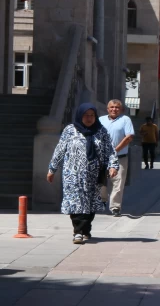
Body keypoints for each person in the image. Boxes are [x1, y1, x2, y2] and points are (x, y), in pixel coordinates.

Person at [48, 104, 119, 244]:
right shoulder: (70, 130)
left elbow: (110, 150)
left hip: (94, 175)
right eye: (86, 115)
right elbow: (60, 150)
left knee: (90, 204)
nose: (89, 118)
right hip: (73, 175)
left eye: (92, 115)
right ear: (80, 115)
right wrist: (52, 169)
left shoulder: (101, 131)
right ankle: (78, 232)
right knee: (75, 203)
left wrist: (113, 166)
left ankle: (86, 230)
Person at [99, 100, 134, 217]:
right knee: (101, 181)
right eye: (112, 107)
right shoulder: (101, 120)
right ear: (107, 109)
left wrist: (115, 150)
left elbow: (129, 137)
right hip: (102, 157)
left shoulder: (125, 120)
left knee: (118, 183)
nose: (114, 109)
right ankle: (102, 200)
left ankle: (115, 207)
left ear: (121, 109)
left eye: (117, 107)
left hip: (120, 157)